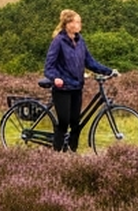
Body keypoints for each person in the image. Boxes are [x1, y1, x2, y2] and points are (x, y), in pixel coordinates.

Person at [44, 8, 114, 152]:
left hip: (77, 87)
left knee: (76, 122)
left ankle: (72, 151)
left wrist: (109, 71)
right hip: (62, 88)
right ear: (68, 24)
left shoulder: (80, 40)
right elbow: (49, 66)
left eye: (79, 22)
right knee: (64, 122)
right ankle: (55, 155)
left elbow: (90, 61)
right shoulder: (58, 41)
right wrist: (55, 78)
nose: (79, 25)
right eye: (77, 22)